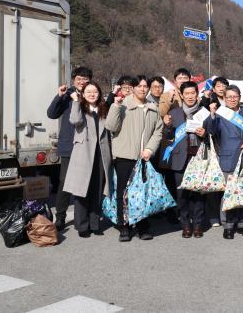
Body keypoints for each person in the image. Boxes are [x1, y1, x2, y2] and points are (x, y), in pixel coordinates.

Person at [105, 75, 164, 242]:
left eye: (145, 86)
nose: (143, 89)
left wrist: (150, 149)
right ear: (133, 88)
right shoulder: (122, 105)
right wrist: (115, 106)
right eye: (139, 86)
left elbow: (158, 132)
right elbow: (110, 126)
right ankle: (123, 226)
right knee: (123, 193)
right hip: (125, 157)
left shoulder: (153, 108)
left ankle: (142, 226)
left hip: (144, 157)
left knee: (143, 193)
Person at [46, 66, 93, 230]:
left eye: (85, 78)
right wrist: (59, 95)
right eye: (79, 78)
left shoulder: (91, 95)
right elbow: (51, 114)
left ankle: (84, 216)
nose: (82, 81)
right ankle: (60, 217)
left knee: (86, 181)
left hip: (86, 145)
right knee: (65, 182)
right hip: (69, 145)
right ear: (74, 80)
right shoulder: (66, 95)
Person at [159, 81, 207, 238]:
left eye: (193, 93)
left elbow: (214, 133)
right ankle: (186, 225)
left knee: (198, 194)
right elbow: (168, 136)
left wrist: (204, 134)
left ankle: (198, 225)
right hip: (180, 159)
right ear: (182, 95)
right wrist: (166, 126)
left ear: (197, 94)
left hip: (198, 158)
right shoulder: (174, 113)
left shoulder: (204, 113)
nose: (190, 96)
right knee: (182, 195)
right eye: (186, 93)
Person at [63, 82, 111, 238]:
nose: (92, 94)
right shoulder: (80, 109)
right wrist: (76, 102)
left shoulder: (104, 110)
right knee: (82, 191)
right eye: (88, 92)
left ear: (99, 94)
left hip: (100, 155)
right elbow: (75, 121)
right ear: (83, 94)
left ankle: (95, 223)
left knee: (97, 191)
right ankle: (82, 226)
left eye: (95, 91)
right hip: (83, 154)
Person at [207, 85, 243, 239]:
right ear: (224, 98)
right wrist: (212, 114)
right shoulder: (220, 113)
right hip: (227, 157)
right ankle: (228, 225)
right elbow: (212, 130)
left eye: (235, 96)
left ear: (240, 97)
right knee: (229, 194)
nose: (232, 99)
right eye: (229, 97)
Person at [201, 76, 230, 226]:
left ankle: (225, 213)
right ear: (213, 87)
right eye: (218, 85)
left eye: (224, 85)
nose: (221, 88)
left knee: (226, 183)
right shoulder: (209, 101)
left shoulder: (231, 101)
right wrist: (206, 100)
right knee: (214, 182)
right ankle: (213, 216)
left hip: (228, 147)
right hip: (214, 146)